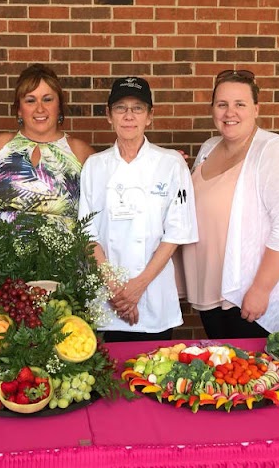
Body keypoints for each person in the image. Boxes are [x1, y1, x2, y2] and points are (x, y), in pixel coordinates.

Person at [179, 69, 279, 339]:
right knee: (228, 371)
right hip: (213, 288)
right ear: (212, 109)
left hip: (259, 292)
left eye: (240, 104)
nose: (230, 113)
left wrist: (261, 289)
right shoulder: (209, 147)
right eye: (222, 104)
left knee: (262, 375)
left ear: (256, 109)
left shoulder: (275, 151)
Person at [78, 77, 198, 342]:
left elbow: (176, 232)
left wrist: (137, 287)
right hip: (109, 301)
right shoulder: (94, 166)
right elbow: (88, 235)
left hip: (154, 295)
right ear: (109, 116)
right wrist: (115, 289)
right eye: (121, 108)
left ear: (150, 116)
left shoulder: (171, 164)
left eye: (138, 108)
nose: (129, 116)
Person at [0, 64, 95, 229]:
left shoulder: (80, 151)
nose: (40, 108)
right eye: (30, 100)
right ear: (19, 110)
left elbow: (101, 209)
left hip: (65, 254)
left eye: (47, 99)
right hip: (1, 254)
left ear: (59, 106)